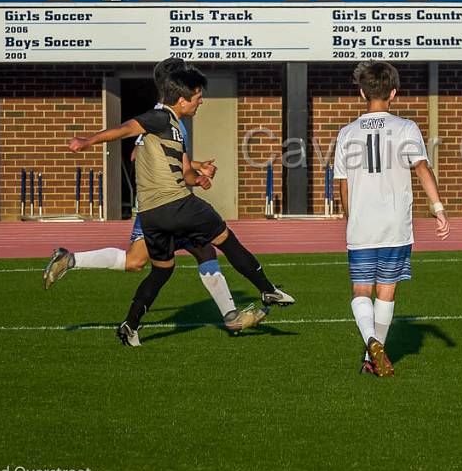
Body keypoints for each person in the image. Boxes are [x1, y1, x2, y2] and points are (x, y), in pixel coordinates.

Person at [68, 66, 295, 347]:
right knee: (226, 238)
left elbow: (184, 171)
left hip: (152, 215)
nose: (201, 101)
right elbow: (126, 130)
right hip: (176, 204)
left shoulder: (176, 127)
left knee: (162, 269)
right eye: (198, 96)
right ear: (183, 99)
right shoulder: (161, 116)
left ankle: (130, 325)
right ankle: (267, 290)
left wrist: (198, 178)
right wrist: (87, 140)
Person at [333, 62, 450, 377]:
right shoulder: (406, 128)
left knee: (361, 291)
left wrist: (349, 217)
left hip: (361, 225)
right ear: (394, 93)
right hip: (396, 226)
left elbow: (342, 184)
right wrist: (438, 208)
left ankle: (370, 341)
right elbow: (422, 168)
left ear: (362, 93)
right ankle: (372, 357)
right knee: (386, 290)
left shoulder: (345, 134)